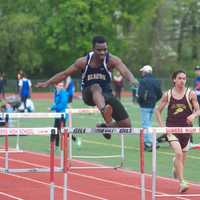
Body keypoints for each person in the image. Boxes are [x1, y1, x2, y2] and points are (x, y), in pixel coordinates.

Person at [36, 36, 138, 139]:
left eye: (105, 50)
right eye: (99, 50)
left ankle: (105, 127)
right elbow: (64, 74)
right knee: (96, 87)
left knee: (126, 125)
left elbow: (125, 71)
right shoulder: (83, 62)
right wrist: (47, 83)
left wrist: (133, 80)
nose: (102, 52)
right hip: (88, 94)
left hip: (106, 95)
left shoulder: (111, 60)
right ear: (93, 49)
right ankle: (104, 111)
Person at [155, 70, 200, 193]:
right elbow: (158, 110)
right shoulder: (168, 94)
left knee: (180, 160)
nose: (182, 81)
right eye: (180, 78)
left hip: (186, 131)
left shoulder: (190, 94)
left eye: (184, 78)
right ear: (174, 79)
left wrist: (194, 116)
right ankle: (182, 182)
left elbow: (198, 110)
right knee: (179, 154)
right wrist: (162, 127)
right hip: (171, 130)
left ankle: (175, 167)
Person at [137, 65, 162, 151]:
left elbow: (140, 94)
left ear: (145, 72)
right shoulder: (156, 81)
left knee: (145, 125)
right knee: (148, 124)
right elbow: (160, 94)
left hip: (145, 105)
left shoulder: (143, 81)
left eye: (142, 72)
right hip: (152, 105)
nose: (142, 73)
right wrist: (154, 100)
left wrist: (140, 102)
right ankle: (153, 141)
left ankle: (149, 143)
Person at [49, 81, 68, 148]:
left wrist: (52, 108)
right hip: (57, 114)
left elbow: (62, 104)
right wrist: (52, 107)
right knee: (56, 130)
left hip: (62, 115)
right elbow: (55, 103)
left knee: (61, 130)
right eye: (60, 85)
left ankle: (74, 139)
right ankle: (55, 145)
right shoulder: (56, 93)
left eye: (62, 86)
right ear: (56, 86)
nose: (61, 87)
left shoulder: (64, 93)